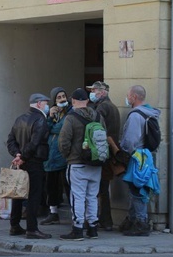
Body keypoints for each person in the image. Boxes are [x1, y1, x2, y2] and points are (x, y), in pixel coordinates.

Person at [58, 88, 106, 240]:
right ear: (87, 101)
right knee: (92, 196)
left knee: (77, 196)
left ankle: (77, 228)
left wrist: (68, 156)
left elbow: (63, 141)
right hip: (96, 163)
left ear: (73, 101)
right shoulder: (98, 116)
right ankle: (93, 228)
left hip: (77, 164)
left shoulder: (71, 118)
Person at [6, 93, 52, 239]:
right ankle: (32, 229)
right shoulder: (40, 120)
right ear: (39, 104)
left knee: (18, 194)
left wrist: (17, 155)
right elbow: (35, 142)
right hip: (34, 162)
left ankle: (14, 225)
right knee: (34, 196)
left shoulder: (20, 119)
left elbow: (10, 141)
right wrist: (23, 157)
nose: (47, 106)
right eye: (45, 103)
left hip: (22, 162)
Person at [119, 85, 161, 236]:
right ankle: (132, 220)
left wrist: (122, 152)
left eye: (128, 95)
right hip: (147, 156)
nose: (127, 98)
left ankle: (141, 223)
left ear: (134, 97)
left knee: (137, 190)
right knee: (137, 189)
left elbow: (130, 141)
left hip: (137, 157)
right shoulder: (150, 113)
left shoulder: (136, 115)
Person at [88, 81, 121, 231]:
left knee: (98, 188)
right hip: (110, 152)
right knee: (104, 187)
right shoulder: (113, 107)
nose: (92, 93)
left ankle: (101, 220)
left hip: (102, 152)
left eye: (94, 90)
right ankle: (106, 220)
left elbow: (96, 129)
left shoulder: (102, 107)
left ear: (102, 92)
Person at [41, 87, 71, 225]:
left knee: (69, 185)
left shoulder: (70, 112)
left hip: (63, 156)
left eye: (63, 96)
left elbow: (61, 128)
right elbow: (44, 130)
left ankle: (75, 214)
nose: (62, 99)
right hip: (51, 157)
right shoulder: (52, 114)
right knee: (51, 186)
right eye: (58, 97)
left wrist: (52, 126)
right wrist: (49, 117)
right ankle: (53, 213)